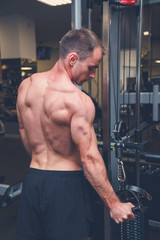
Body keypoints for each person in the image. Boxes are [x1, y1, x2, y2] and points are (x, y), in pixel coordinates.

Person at [16, 28, 135, 240]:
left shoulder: (26, 86)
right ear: (72, 59)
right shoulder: (78, 101)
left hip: (32, 180)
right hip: (65, 186)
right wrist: (114, 204)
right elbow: (88, 158)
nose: (92, 75)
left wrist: (43, 163)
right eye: (91, 67)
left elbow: (24, 131)